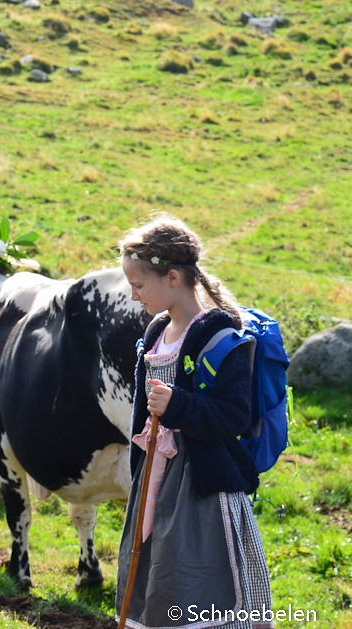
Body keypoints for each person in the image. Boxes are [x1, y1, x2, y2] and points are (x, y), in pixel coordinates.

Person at [115, 215, 273, 628]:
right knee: (157, 583)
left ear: (171, 278)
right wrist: (138, 477)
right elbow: (142, 412)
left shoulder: (221, 338)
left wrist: (179, 405)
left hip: (203, 492)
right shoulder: (154, 333)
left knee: (201, 586)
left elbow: (233, 416)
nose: (134, 296)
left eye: (139, 286)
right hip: (155, 483)